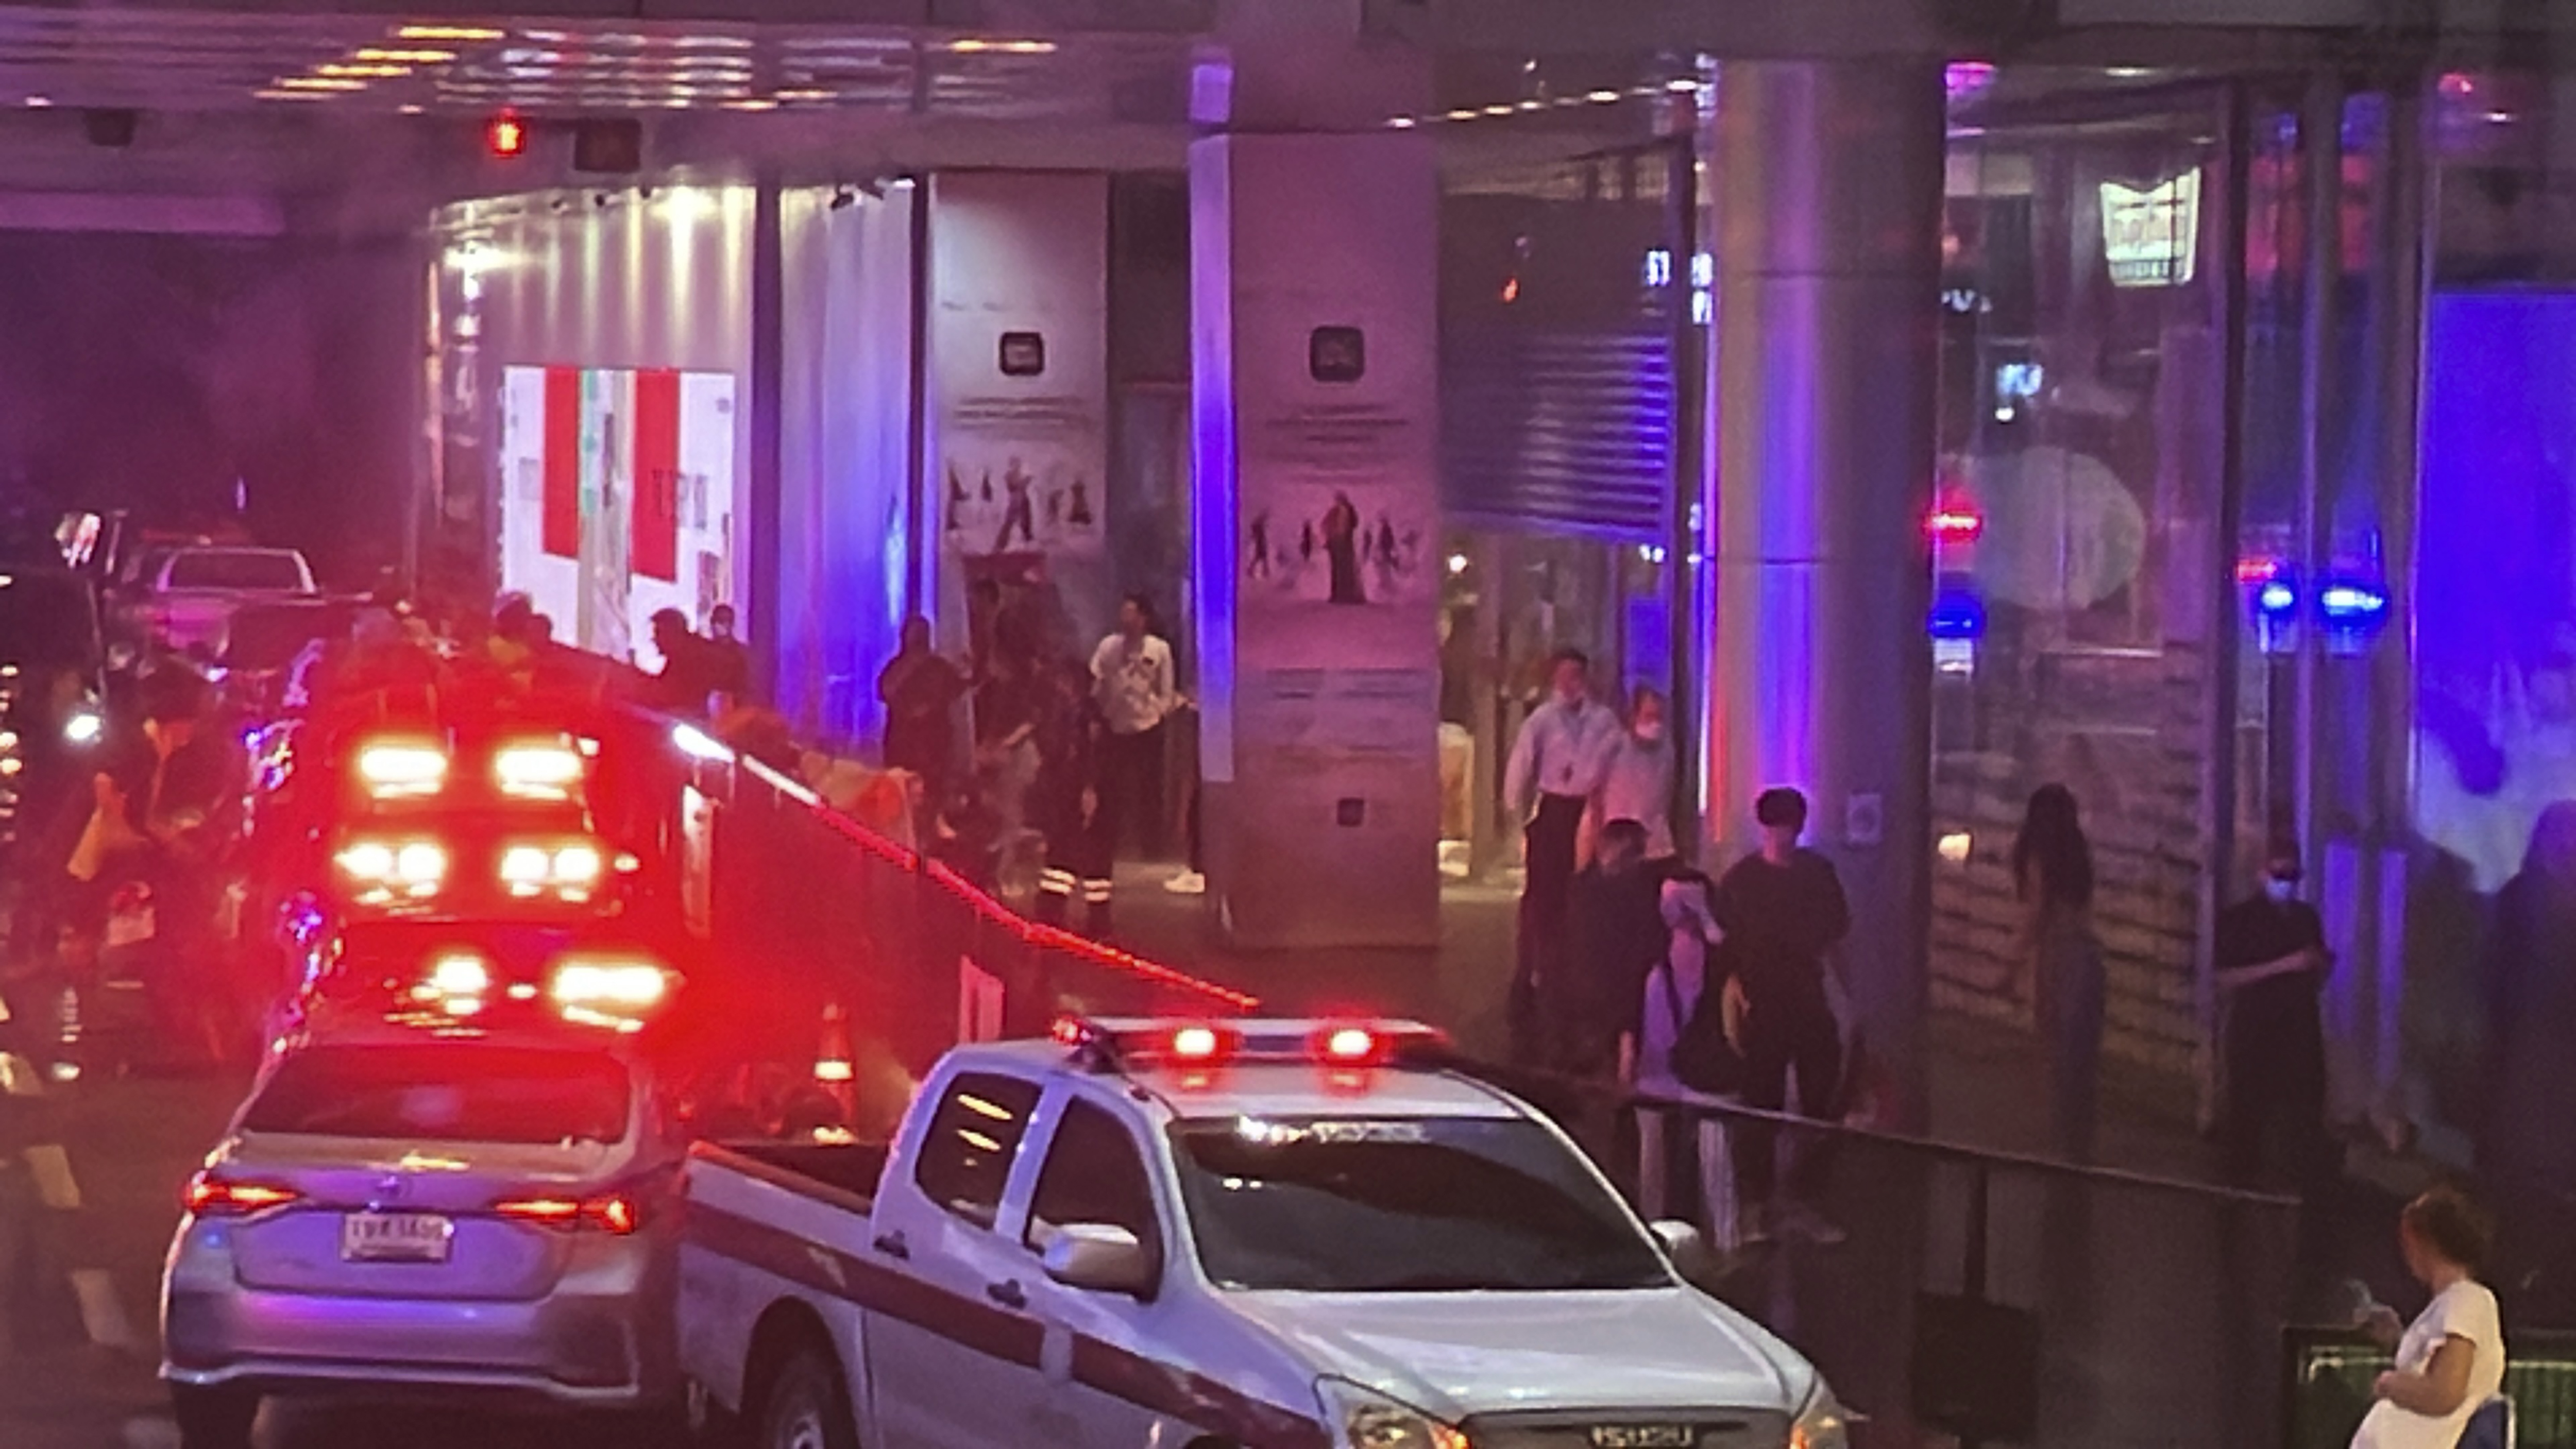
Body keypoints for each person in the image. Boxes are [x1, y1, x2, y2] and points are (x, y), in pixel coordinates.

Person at [1713, 787, 1850, 1245]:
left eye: (1790, 828)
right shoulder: (1741, 882)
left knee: (1820, 1103)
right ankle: (1759, 1203)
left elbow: (1833, 942)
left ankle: (1801, 1199)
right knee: (1760, 1103)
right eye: (1778, 828)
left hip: (1808, 1000)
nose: (1784, 837)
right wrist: (1732, 998)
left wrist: (1847, 1001)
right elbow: (1726, 950)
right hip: (1763, 1002)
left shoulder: (1816, 874)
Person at [1503, 649, 1619, 1061]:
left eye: (1576, 675)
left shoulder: (1603, 721)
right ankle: (1531, 974)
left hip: (1584, 809)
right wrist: (1513, 806)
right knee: (1540, 898)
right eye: (1564, 675)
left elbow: (1614, 759)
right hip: (1552, 808)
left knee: (1581, 894)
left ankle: (1572, 972)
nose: (1570, 683)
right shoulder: (1543, 719)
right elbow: (1522, 761)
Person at [2216, 837, 2334, 1191]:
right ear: (2261, 872)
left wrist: (2320, 966)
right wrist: (2286, 964)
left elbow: (2315, 980)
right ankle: (2236, 1202)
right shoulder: (2240, 919)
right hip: (2255, 1037)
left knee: (2299, 1133)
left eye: (2292, 874)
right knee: (2245, 1132)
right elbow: (2226, 976)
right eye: (2279, 873)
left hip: (2299, 1037)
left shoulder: (2305, 917)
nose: (2286, 882)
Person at [2349, 1186, 2507, 1449]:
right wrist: (2398, 1341)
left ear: (2424, 1241)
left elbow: (2445, 1393)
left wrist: (2390, 1384)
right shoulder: (2452, 1303)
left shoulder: (2466, 1299)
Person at [2012, 782, 2105, 1164]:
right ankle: (2079, 1142)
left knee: (2055, 1050)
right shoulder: (2079, 854)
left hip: (2058, 955)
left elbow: (2036, 914)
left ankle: (2061, 1143)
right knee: (2082, 1056)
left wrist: (2010, 965)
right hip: (2087, 954)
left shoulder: (2037, 856)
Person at [1558, 818, 1666, 1077]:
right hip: (1603, 993)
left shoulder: (1584, 887)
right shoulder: (1605, 892)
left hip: (1608, 992)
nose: (1639, 859)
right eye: (1634, 852)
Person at [1089, 594, 1178, 862]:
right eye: (1123, 613)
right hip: (1115, 724)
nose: (1126, 620)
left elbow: (1166, 689)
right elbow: (1095, 677)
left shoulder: (1159, 649)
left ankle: (1152, 847)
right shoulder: (1108, 647)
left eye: (1132, 614)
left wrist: (1158, 712)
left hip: (1147, 726)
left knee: (1149, 789)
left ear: (1144, 618)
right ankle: (1113, 844)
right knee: (1112, 788)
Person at [1033, 660, 1112, 938]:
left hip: (1076, 793)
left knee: (1073, 853)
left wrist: (1089, 789)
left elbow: (1092, 755)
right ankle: (1075, 916)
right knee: (1075, 853)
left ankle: (1060, 914)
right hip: (1067, 791)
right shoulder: (1071, 714)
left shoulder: (1086, 717)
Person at [878, 616, 967, 809]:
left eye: (921, 633)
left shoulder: (940, 667)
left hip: (933, 743)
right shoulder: (897, 666)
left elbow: (956, 689)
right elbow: (885, 691)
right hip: (902, 740)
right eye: (912, 634)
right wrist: (909, 665)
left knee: (932, 796)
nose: (916, 639)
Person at [1596, 685, 1679, 866]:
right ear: (1634, 716)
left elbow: (1667, 792)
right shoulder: (1615, 745)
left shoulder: (1667, 748)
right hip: (1619, 843)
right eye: (1649, 717)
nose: (1654, 724)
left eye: (1659, 717)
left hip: (1657, 843)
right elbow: (1593, 784)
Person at [704, 603, 754, 706]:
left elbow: (745, 684)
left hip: (733, 706)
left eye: (725, 621)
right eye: (717, 620)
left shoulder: (740, 653)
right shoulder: (703, 650)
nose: (720, 625)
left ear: (732, 624)